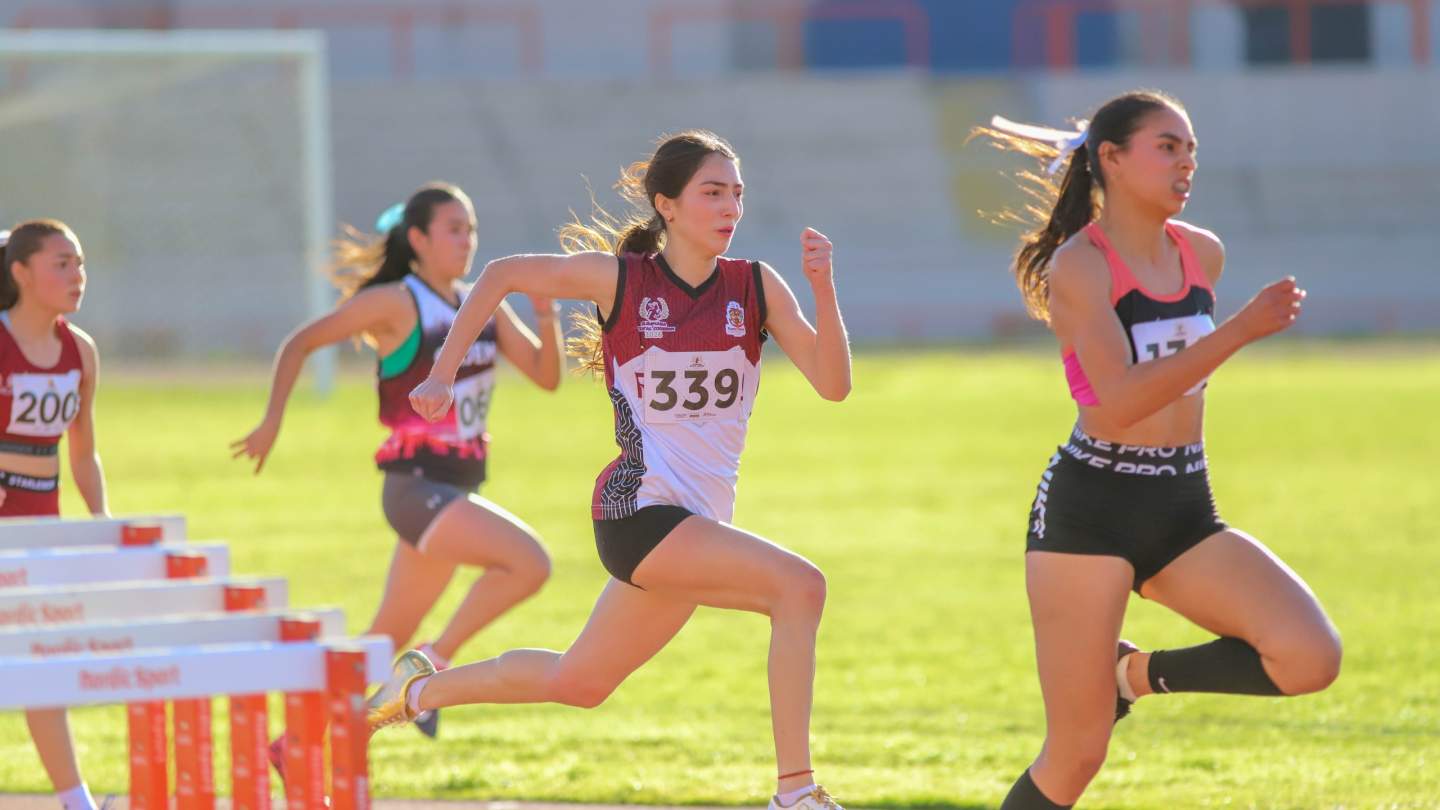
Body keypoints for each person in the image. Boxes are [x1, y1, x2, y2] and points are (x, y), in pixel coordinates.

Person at [368, 131, 852, 810]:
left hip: (698, 524)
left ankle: (416, 691)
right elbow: (503, 273)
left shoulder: (756, 285)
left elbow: (833, 384)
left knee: (580, 682)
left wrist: (823, 289)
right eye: (713, 192)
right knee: (800, 588)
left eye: (737, 193)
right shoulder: (622, 280)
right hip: (640, 513)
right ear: (668, 205)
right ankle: (796, 792)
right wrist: (443, 374)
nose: (730, 206)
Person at [976, 91, 1342, 808]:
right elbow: (1114, 404)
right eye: (1167, 147)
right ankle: (1104, 695)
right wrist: (1236, 332)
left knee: (1309, 657)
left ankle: (1132, 677)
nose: (1186, 163)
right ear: (1110, 159)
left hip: (1182, 503)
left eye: (1191, 149)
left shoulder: (1201, 252)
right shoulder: (1081, 267)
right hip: (1090, 513)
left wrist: (1229, 333)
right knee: (1077, 754)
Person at [231, 183, 556, 750]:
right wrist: (271, 421)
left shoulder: (483, 301)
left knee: (382, 641)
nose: (467, 240)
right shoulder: (395, 303)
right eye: (453, 229)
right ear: (417, 238)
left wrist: (547, 312)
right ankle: (430, 664)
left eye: (471, 228)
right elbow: (300, 344)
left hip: (458, 485)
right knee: (528, 564)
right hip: (417, 487)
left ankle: (291, 746)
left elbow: (546, 376)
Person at [1, 220, 110, 810]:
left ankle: (77, 801)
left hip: (41, 526)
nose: (76, 276)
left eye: (81, 264)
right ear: (20, 272)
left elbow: (83, 452)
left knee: (42, 662)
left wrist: (104, 524)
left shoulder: (81, 350)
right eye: (61, 264)